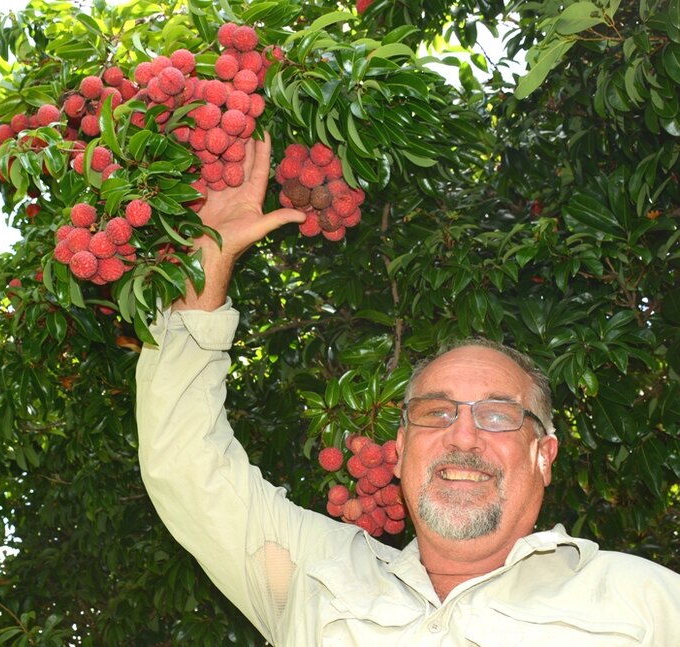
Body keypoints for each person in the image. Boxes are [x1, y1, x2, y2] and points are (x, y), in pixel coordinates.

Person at [135, 134, 680, 645]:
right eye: (436, 414)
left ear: (544, 455)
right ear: (397, 454)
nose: (462, 435)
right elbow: (186, 465)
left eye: (496, 416)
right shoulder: (313, 582)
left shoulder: (647, 602)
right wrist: (201, 276)